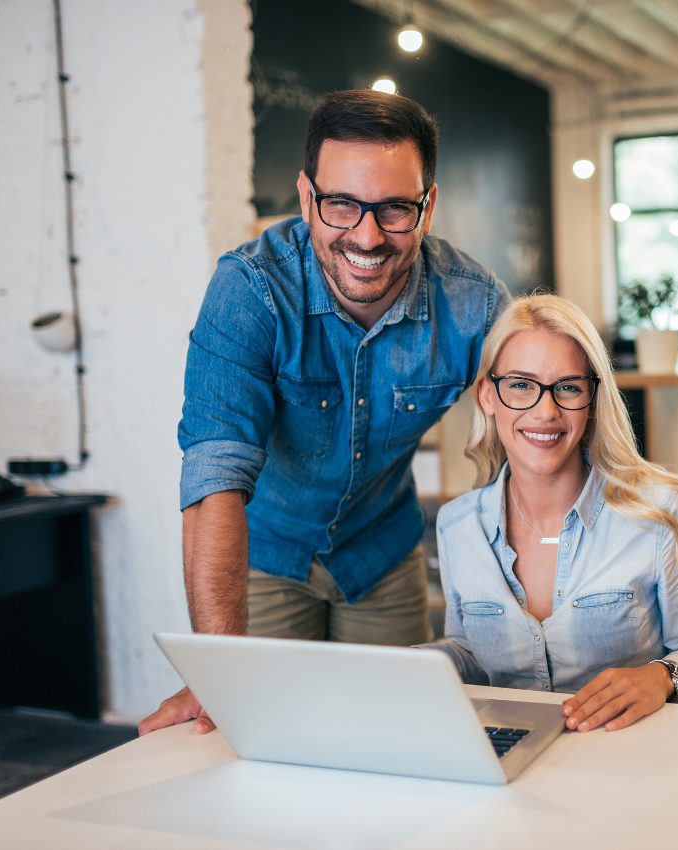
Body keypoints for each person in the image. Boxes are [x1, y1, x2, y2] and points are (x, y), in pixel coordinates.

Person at [139, 90, 508, 736]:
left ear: (428, 205)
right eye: (342, 205)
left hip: (382, 554)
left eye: (395, 209)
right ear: (307, 197)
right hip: (264, 554)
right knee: (261, 742)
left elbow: (553, 429)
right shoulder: (250, 290)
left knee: (398, 741)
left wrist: (657, 553)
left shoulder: (472, 304)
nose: (367, 237)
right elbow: (213, 477)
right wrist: (218, 671)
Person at [420, 294, 678, 733]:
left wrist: (661, 678)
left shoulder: (658, 512)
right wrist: (414, 664)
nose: (545, 412)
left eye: (568, 387)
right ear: (488, 396)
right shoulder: (457, 526)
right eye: (521, 385)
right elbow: (471, 654)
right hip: (511, 758)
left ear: (591, 400)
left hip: (631, 758)